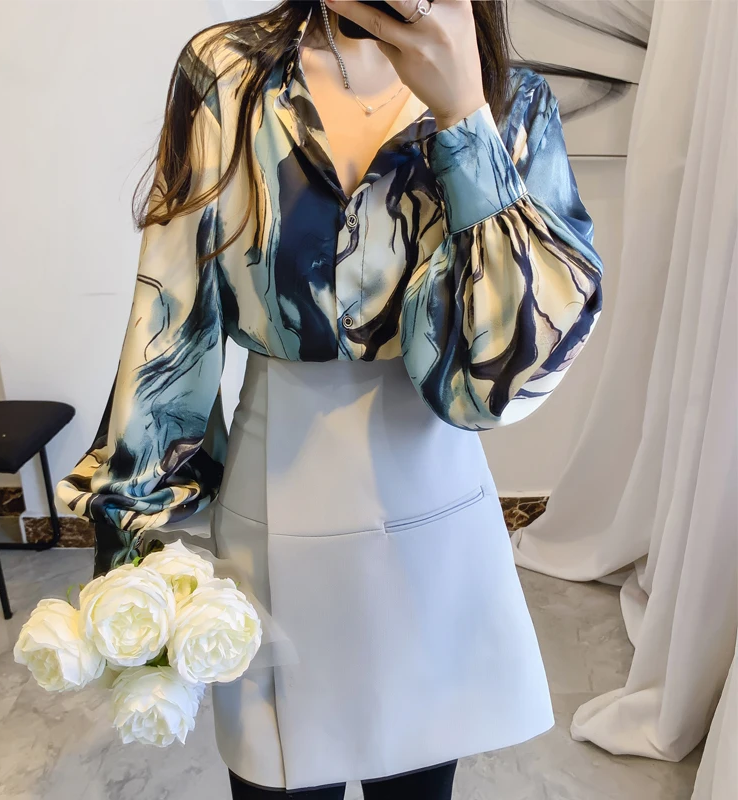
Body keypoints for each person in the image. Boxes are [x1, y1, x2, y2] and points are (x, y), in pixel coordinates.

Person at [57, 0, 604, 796]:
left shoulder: (513, 102)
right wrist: (129, 533)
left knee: (416, 782)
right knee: (276, 777)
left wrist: (463, 119)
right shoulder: (230, 73)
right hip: (274, 492)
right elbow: (173, 313)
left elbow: (515, 367)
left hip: (434, 502)